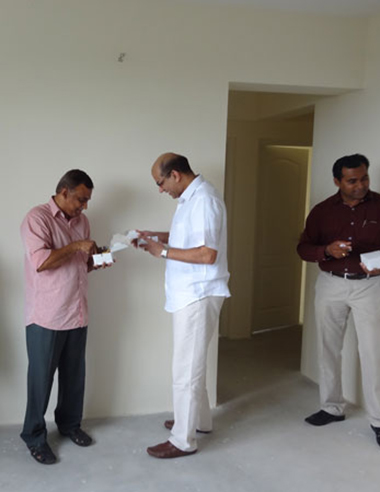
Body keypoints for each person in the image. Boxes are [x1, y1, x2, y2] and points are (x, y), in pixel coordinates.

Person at [137, 152, 230, 459]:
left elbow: (207, 254)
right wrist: (155, 237)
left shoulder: (204, 200)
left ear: (175, 174)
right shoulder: (190, 199)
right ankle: (199, 421)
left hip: (198, 293)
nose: (160, 190)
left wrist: (161, 252)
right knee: (192, 364)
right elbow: (188, 240)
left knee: (185, 370)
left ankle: (183, 440)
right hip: (188, 293)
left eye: (160, 182)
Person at [297, 153, 380, 450]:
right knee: (328, 347)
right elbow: (303, 247)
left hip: (371, 287)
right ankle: (331, 407)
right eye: (352, 180)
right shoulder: (322, 211)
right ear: (338, 181)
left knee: (375, 353)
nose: (360, 185)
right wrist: (326, 250)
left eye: (364, 178)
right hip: (331, 286)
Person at [20, 169, 106, 465]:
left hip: (76, 311)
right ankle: (33, 436)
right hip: (47, 316)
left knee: (74, 378)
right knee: (40, 381)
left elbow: (79, 265)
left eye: (87, 201)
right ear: (64, 192)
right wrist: (76, 246)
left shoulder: (82, 221)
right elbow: (41, 262)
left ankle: (70, 425)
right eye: (81, 199)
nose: (84, 206)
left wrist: (96, 261)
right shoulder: (37, 218)